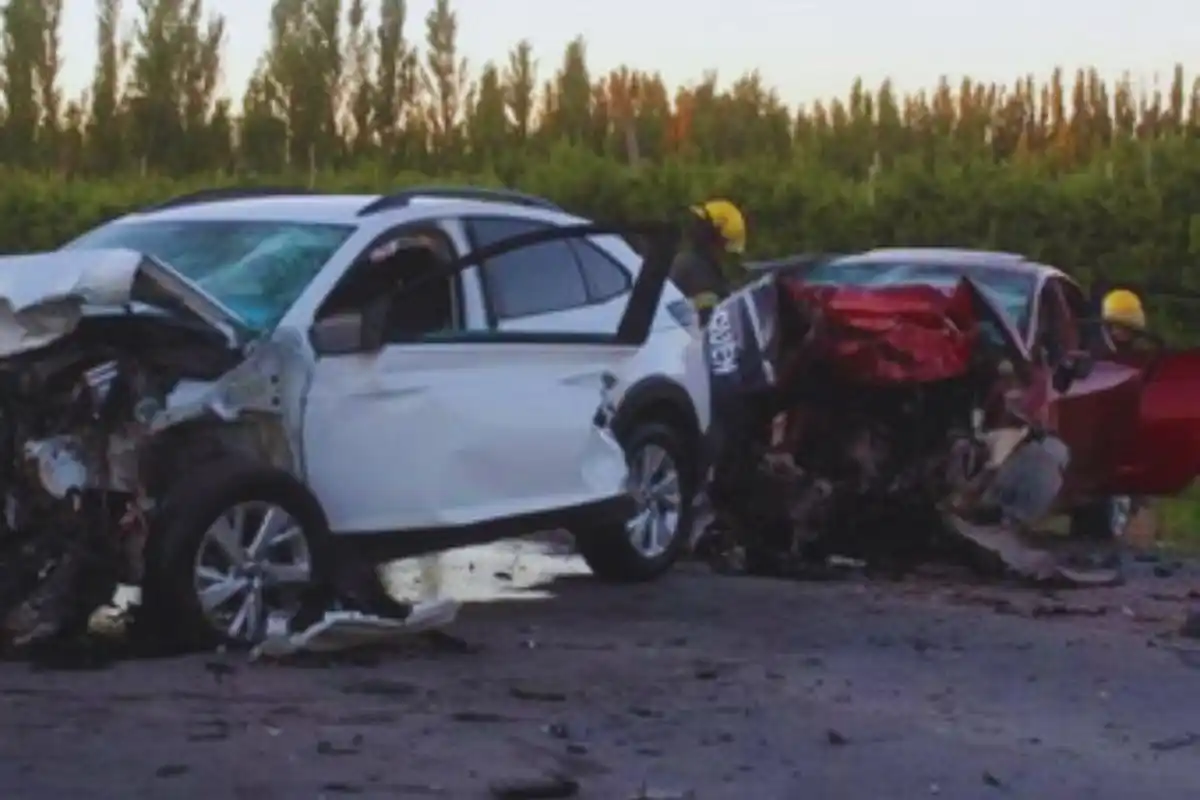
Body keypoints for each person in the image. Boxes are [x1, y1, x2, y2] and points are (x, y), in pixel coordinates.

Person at [669, 199, 747, 324]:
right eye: (725, 243)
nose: (725, 252)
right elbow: (710, 319)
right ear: (715, 237)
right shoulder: (693, 268)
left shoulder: (696, 263)